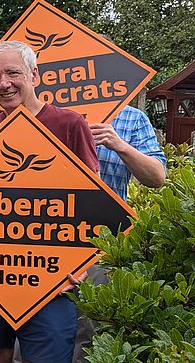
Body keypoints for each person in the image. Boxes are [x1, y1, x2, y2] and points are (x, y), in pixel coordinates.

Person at [0, 41, 98, 363]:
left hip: (51, 276)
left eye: (12, 73)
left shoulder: (69, 124)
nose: (4, 84)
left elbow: (92, 204)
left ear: (34, 75)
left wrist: (80, 264)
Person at [68, 105, 166, 363]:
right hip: (43, 238)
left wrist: (119, 145)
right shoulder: (40, 107)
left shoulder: (131, 118)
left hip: (103, 244)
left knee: (90, 332)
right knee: (35, 330)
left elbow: (157, 177)